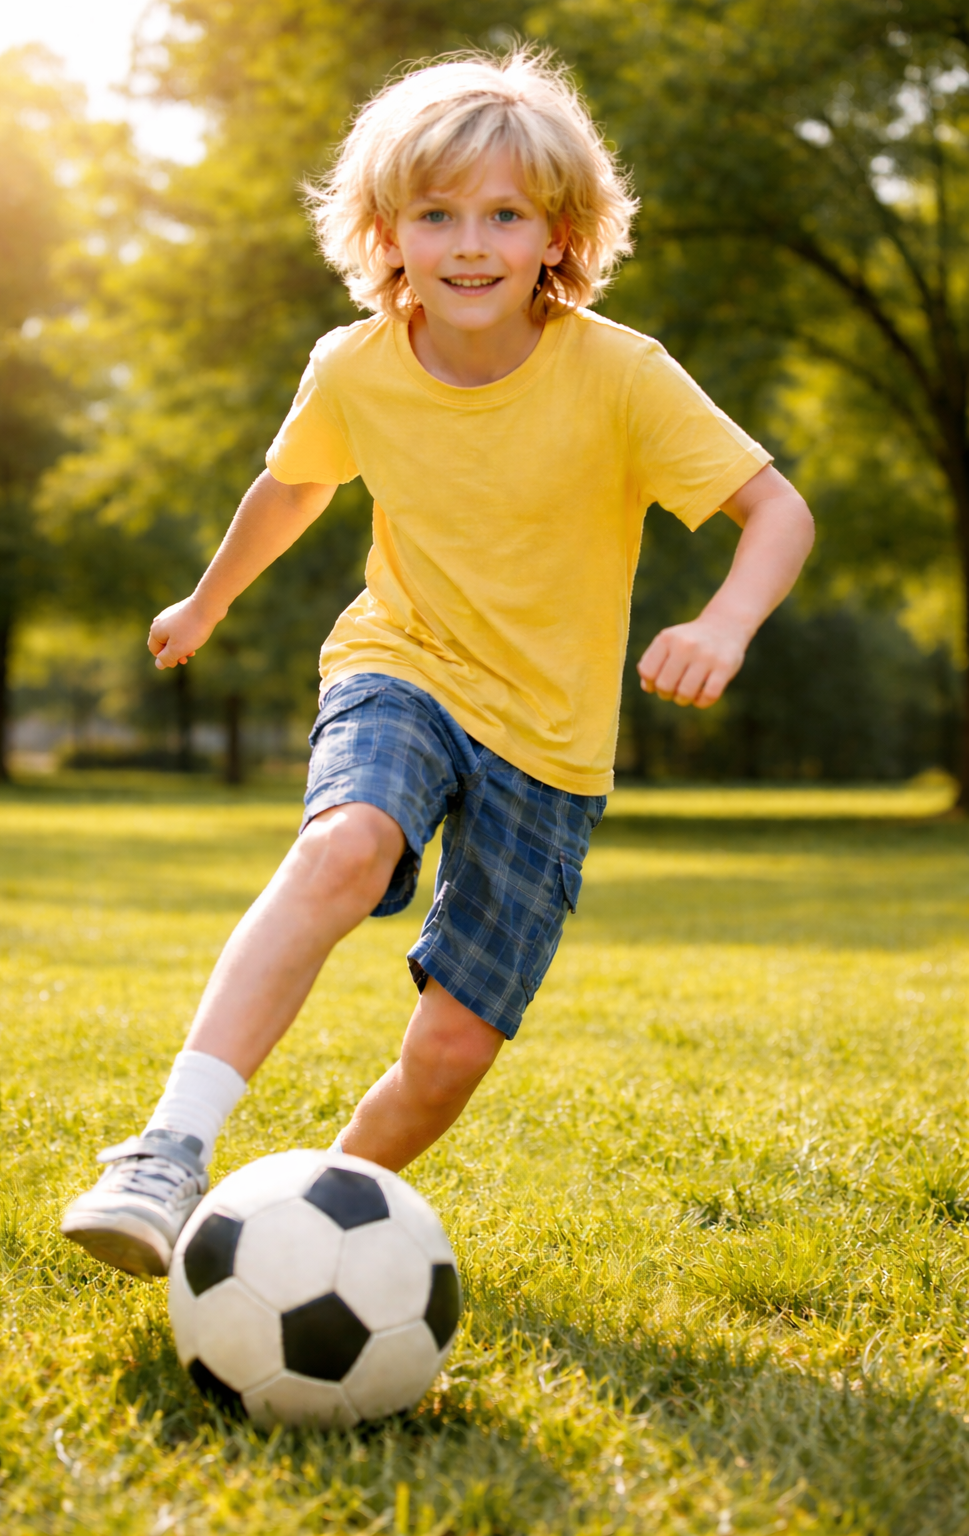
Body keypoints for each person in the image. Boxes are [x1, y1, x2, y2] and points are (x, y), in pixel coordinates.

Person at [61, 49, 814, 1278]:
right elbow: (291, 485)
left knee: (453, 1050)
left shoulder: (621, 373)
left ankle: (305, 1230)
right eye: (436, 214)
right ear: (385, 232)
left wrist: (722, 623)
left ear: (559, 234)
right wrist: (206, 600)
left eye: (505, 215)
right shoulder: (353, 365)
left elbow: (775, 509)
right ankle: (165, 1151)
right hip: (400, 664)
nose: (470, 245)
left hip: (550, 739)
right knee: (345, 844)